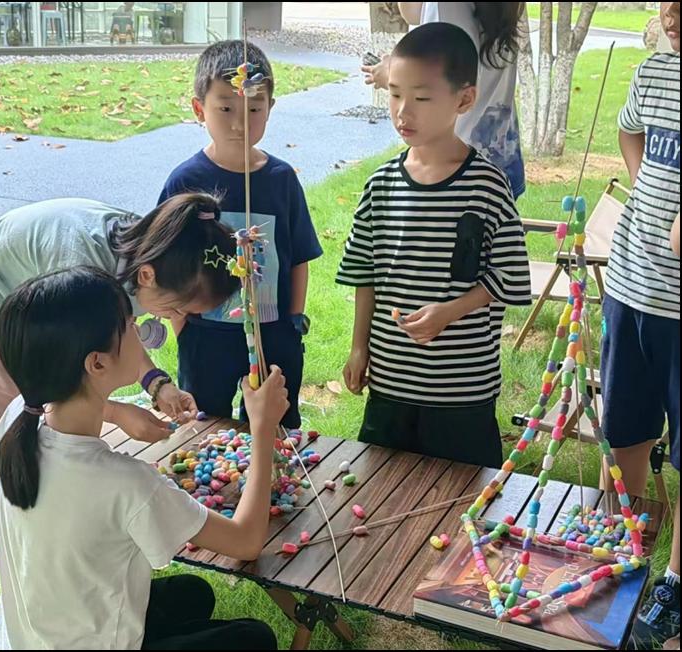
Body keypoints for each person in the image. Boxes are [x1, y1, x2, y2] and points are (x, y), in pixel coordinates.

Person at [0, 266, 283, 649]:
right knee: (255, 639)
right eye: (129, 326)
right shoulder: (124, 482)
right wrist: (262, 428)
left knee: (193, 593)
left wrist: (114, 411)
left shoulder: (19, 418)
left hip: (27, 637)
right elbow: (246, 541)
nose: (139, 330)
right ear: (97, 363)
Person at [0, 193, 239, 553]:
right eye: (178, 308)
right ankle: (20, 558)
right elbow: (63, 376)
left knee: (56, 452)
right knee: (16, 448)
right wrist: (114, 412)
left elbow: (116, 335)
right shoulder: (82, 276)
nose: (175, 318)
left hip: (44, 318)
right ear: (147, 275)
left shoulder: (160, 251)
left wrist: (156, 383)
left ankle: (72, 548)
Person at [337, 23, 530, 468]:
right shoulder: (380, 185)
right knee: (382, 484)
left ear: (464, 99)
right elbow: (364, 272)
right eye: (394, 94)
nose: (403, 112)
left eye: (421, 98)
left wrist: (450, 311)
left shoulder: (486, 186)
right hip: (391, 382)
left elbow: (511, 276)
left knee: (460, 493)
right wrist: (359, 347)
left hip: (462, 390)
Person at [159, 40, 323, 430]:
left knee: (274, 427)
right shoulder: (185, 181)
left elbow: (299, 256)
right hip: (206, 335)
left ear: (270, 107)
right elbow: (166, 260)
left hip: (273, 336)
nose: (240, 123)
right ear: (199, 109)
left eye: (253, 109)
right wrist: (183, 326)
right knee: (204, 427)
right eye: (225, 108)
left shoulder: (282, 179)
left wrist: (293, 321)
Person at [603, 3, 680, 648]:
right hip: (631, 285)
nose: (673, 11)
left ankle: (676, 582)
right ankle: (622, 556)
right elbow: (631, 131)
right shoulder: (655, 71)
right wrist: (641, 181)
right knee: (625, 431)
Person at [363, 2, 526, 199]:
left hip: (454, 173)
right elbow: (413, 14)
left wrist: (391, 75)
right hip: (500, 159)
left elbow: (438, 75)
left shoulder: (444, 7)